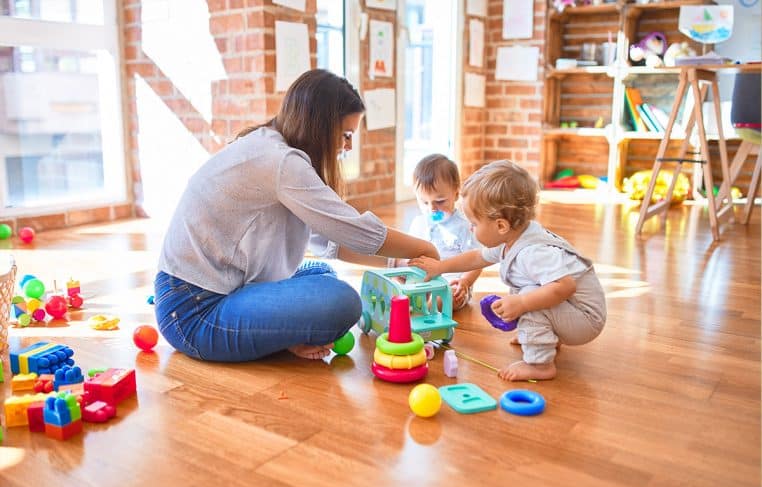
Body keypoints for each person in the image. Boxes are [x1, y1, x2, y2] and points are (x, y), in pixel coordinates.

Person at [154, 69, 438, 363]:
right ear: (321, 127)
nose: (348, 146)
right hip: (195, 312)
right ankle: (280, 335)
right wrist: (424, 249)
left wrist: (401, 263)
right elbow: (351, 231)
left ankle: (279, 333)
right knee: (342, 302)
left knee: (321, 273)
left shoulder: (270, 147)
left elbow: (329, 243)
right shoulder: (282, 162)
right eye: (346, 135)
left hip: (197, 292)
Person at [410, 160, 606, 381]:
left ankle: (540, 365)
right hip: (573, 310)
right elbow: (477, 257)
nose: (470, 228)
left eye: (474, 223)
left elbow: (565, 286)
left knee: (527, 297)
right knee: (527, 290)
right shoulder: (513, 236)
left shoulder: (533, 252)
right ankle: (543, 334)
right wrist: (441, 266)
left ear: (501, 226)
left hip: (585, 319)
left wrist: (523, 305)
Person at [397, 154, 482, 310]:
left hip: (452, 284)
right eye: (424, 202)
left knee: (444, 298)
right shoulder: (418, 223)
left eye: (440, 201)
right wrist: (404, 268)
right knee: (399, 291)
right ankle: (410, 308)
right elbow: (408, 254)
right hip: (422, 281)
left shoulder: (464, 226)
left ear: (456, 194)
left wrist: (465, 281)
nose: (432, 208)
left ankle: (424, 310)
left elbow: (476, 261)